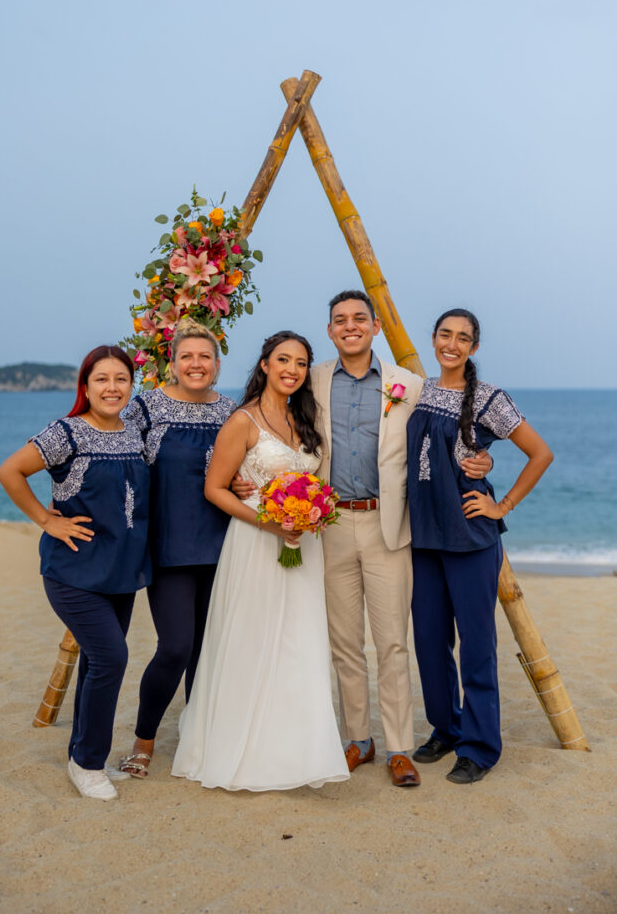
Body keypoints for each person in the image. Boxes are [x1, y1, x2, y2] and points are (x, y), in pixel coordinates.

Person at [308, 290, 493, 788]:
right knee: (344, 644)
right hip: (327, 528)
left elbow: (455, 430)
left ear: (374, 327)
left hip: (389, 527)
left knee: (392, 643)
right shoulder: (311, 379)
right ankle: (357, 741)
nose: (350, 326)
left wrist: (484, 461)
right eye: (340, 320)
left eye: (359, 319)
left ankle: (397, 747)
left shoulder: (410, 386)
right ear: (330, 330)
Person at [171, 331, 350, 791]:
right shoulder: (243, 420)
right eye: (283, 360)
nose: (292, 369)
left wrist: (312, 511)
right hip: (255, 542)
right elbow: (214, 488)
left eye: (301, 363)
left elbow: (314, 479)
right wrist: (269, 524)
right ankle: (241, 749)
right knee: (251, 639)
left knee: (299, 641)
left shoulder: (303, 419)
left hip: (301, 544)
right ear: (265, 364)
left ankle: (296, 750)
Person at [0, 345, 151, 801]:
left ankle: (85, 754)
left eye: (121, 379)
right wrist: (47, 520)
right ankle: (86, 764)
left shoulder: (135, 430)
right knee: (112, 658)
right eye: (101, 379)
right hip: (72, 571)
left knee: (95, 662)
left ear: (130, 385)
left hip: (121, 570)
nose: (112, 387)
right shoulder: (66, 432)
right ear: (85, 386)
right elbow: (10, 472)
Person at [407, 308, 553, 784]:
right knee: (429, 642)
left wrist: (502, 504)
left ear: (473, 347)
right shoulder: (418, 390)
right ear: (433, 339)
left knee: (476, 646)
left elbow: (540, 452)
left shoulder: (489, 398)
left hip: (470, 538)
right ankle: (446, 728)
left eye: (463, 337)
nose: (452, 343)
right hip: (423, 537)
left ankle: (480, 747)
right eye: (445, 334)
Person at [119, 320, 235, 778]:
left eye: (204, 356)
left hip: (226, 547)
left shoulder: (232, 410)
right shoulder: (147, 407)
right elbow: (117, 460)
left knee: (208, 652)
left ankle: (198, 737)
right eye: (187, 356)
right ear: (172, 362)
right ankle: (144, 741)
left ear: (217, 364)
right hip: (168, 547)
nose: (196, 364)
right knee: (174, 648)